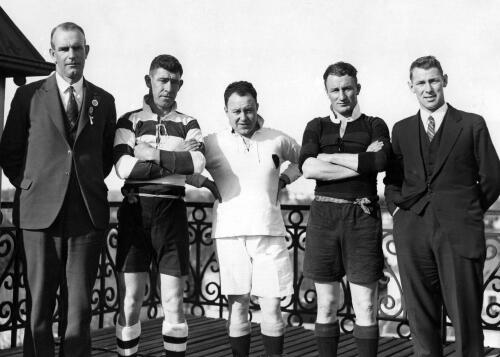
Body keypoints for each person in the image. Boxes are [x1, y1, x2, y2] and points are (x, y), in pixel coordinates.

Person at [0, 22, 117, 357]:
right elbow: (10, 152)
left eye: (77, 47)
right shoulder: (28, 97)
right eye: (64, 48)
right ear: (52, 53)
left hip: (86, 217)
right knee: (38, 311)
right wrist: (33, 186)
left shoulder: (103, 101)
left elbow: (105, 158)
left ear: (87, 51)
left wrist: (83, 185)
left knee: (79, 313)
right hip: (38, 218)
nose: (71, 55)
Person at [384, 56, 500, 356]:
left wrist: (468, 211)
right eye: (421, 82)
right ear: (411, 86)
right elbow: (392, 182)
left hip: (459, 232)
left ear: (444, 80)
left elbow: (492, 178)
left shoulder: (472, 124)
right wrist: (399, 212)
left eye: (434, 80)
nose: (428, 88)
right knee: (421, 318)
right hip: (412, 232)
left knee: (465, 317)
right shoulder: (402, 129)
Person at [187, 81, 301, 357]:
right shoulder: (212, 142)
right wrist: (208, 184)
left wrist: (285, 178)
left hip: (270, 232)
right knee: (238, 305)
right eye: (235, 111)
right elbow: (184, 167)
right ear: (226, 111)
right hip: (230, 234)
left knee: (272, 306)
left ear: (257, 108)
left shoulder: (277, 139)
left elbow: (303, 160)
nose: (242, 117)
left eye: (248, 110)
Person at [113, 54, 205, 357]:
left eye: (174, 81)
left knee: (174, 302)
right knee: (130, 302)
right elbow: (124, 169)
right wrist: (176, 160)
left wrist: (151, 154)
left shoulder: (189, 122)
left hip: (172, 213)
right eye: (162, 80)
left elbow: (198, 164)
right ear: (148, 81)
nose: (168, 87)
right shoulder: (129, 120)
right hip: (135, 211)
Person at [299, 62, 390, 356]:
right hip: (324, 217)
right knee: (326, 304)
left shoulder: (375, 124)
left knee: (365, 305)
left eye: (347, 88)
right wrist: (360, 163)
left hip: (361, 218)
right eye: (335, 90)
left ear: (358, 89)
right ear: (327, 92)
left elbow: (378, 163)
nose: (342, 96)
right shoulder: (316, 125)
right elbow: (309, 167)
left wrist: (330, 157)